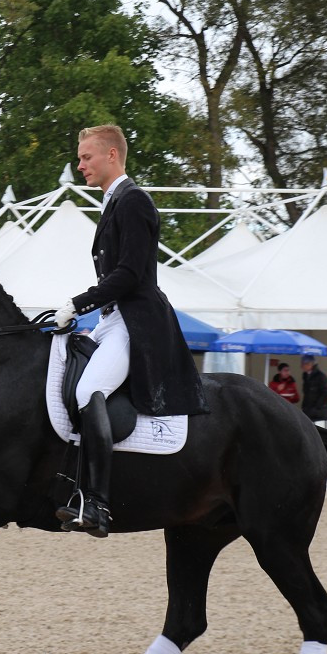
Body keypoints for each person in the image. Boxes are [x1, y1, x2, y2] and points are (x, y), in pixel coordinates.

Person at [51, 124, 208, 537]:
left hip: (135, 322)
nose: (81, 164)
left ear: (112, 156)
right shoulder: (113, 203)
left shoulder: (133, 200)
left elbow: (129, 274)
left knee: (89, 393)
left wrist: (77, 303)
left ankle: (98, 505)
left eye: (86, 157)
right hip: (110, 320)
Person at [300, 355, 327, 422]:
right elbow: (306, 393)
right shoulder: (305, 376)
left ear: (310, 364)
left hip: (318, 411)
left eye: (303, 364)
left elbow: (326, 392)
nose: (301, 366)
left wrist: (317, 406)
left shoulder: (321, 376)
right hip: (308, 410)